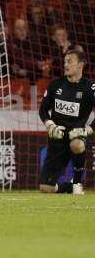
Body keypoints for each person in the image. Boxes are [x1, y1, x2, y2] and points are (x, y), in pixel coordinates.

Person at [39, 50, 95, 195]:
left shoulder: (90, 87)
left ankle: (77, 183)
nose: (66, 65)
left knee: (77, 144)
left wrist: (88, 129)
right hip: (57, 139)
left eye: (70, 61)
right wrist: (49, 124)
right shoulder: (55, 84)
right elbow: (43, 110)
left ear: (80, 65)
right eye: (65, 61)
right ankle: (67, 188)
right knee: (46, 188)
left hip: (76, 134)